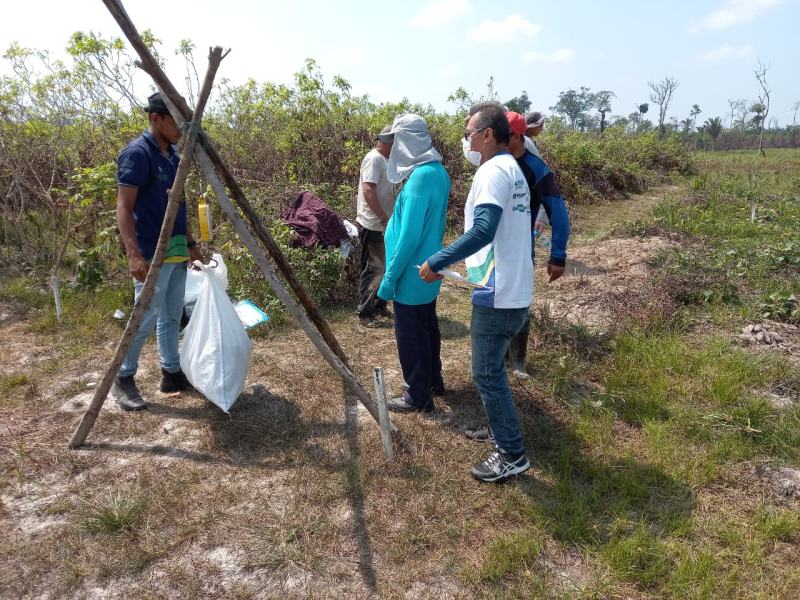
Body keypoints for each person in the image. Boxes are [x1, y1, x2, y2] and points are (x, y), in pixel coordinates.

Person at [420, 101, 532, 483]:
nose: (465, 140)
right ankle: (500, 430)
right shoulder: (512, 169)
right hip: (514, 288)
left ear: (486, 134)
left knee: (486, 374)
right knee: (494, 370)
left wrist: (437, 260)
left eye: (468, 133)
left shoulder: (491, 172)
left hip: (498, 293)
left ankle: (512, 454)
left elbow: (483, 230)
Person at [112, 92, 200, 411]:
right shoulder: (137, 154)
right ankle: (123, 377)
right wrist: (133, 253)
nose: (181, 130)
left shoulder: (173, 156)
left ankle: (171, 372)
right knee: (145, 316)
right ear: (156, 119)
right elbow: (124, 207)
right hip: (151, 251)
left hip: (175, 249)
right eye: (176, 122)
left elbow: (180, 204)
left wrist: (190, 244)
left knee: (171, 315)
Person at [376, 114, 450, 413]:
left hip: (410, 271)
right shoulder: (437, 170)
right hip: (427, 269)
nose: (393, 147)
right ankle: (433, 380)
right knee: (427, 326)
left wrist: (389, 279)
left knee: (410, 335)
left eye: (397, 141)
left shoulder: (420, 176)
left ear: (407, 142)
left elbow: (409, 236)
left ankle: (417, 396)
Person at [505, 111, 571, 378]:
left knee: (520, 302)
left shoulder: (536, 169)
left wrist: (558, 255)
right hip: (493, 250)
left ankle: (518, 361)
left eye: (500, 133)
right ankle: (496, 357)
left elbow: (558, 212)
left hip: (521, 249)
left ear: (516, 136)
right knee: (493, 301)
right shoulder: (493, 164)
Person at [355, 126, 397, 327]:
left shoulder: (386, 160)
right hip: (373, 223)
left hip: (384, 223)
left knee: (385, 267)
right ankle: (365, 313)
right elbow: (368, 190)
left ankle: (380, 306)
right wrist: (382, 216)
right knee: (374, 268)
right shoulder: (374, 159)